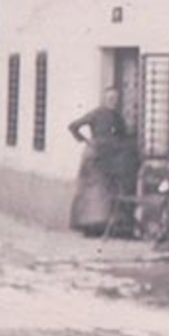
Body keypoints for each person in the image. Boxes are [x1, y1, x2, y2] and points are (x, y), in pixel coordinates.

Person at [68, 87, 139, 236]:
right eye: (109, 98)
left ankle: (102, 227)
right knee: (91, 193)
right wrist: (86, 141)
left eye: (115, 99)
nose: (112, 101)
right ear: (104, 99)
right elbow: (73, 126)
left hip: (111, 159)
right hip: (95, 158)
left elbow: (123, 136)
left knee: (106, 193)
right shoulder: (96, 113)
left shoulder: (118, 117)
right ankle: (87, 226)